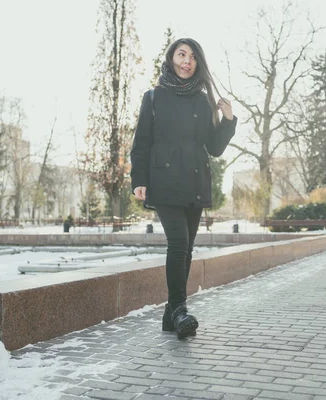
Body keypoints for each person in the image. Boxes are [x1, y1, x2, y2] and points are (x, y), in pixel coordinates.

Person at [130, 38, 237, 339]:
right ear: (171, 58)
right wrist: (139, 180)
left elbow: (214, 147)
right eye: (181, 54)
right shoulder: (153, 97)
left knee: (187, 247)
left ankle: (170, 314)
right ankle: (179, 310)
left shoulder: (203, 101)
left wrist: (228, 121)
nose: (187, 61)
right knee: (178, 243)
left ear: (198, 63)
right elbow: (141, 143)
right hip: (164, 182)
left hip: (194, 182)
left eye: (192, 56)